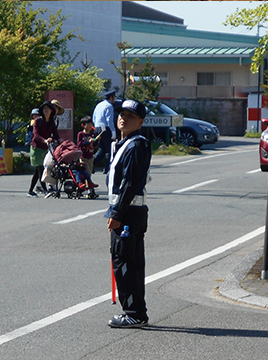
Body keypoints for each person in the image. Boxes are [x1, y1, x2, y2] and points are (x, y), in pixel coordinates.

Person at [105, 99, 151, 328]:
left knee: (125, 262)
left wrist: (117, 212)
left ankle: (133, 312)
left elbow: (129, 183)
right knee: (129, 261)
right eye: (121, 114)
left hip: (128, 213)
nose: (123, 118)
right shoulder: (125, 143)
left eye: (130, 116)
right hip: (129, 211)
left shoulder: (137, 145)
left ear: (140, 121)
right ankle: (136, 311)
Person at [27, 101, 61, 197]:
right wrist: (45, 140)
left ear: (51, 111)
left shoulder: (51, 122)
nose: (46, 110)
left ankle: (30, 191)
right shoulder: (38, 121)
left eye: (48, 109)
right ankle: (46, 190)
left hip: (45, 148)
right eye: (44, 109)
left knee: (37, 171)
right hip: (36, 147)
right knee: (40, 169)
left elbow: (55, 134)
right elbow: (36, 135)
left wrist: (59, 140)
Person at [93, 90, 117, 174]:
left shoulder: (99, 105)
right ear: (111, 97)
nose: (114, 99)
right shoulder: (109, 106)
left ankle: (92, 164)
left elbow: (94, 117)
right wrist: (113, 131)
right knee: (109, 149)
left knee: (102, 148)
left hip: (97, 127)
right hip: (106, 128)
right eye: (114, 97)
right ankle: (107, 168)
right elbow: (109, 120)